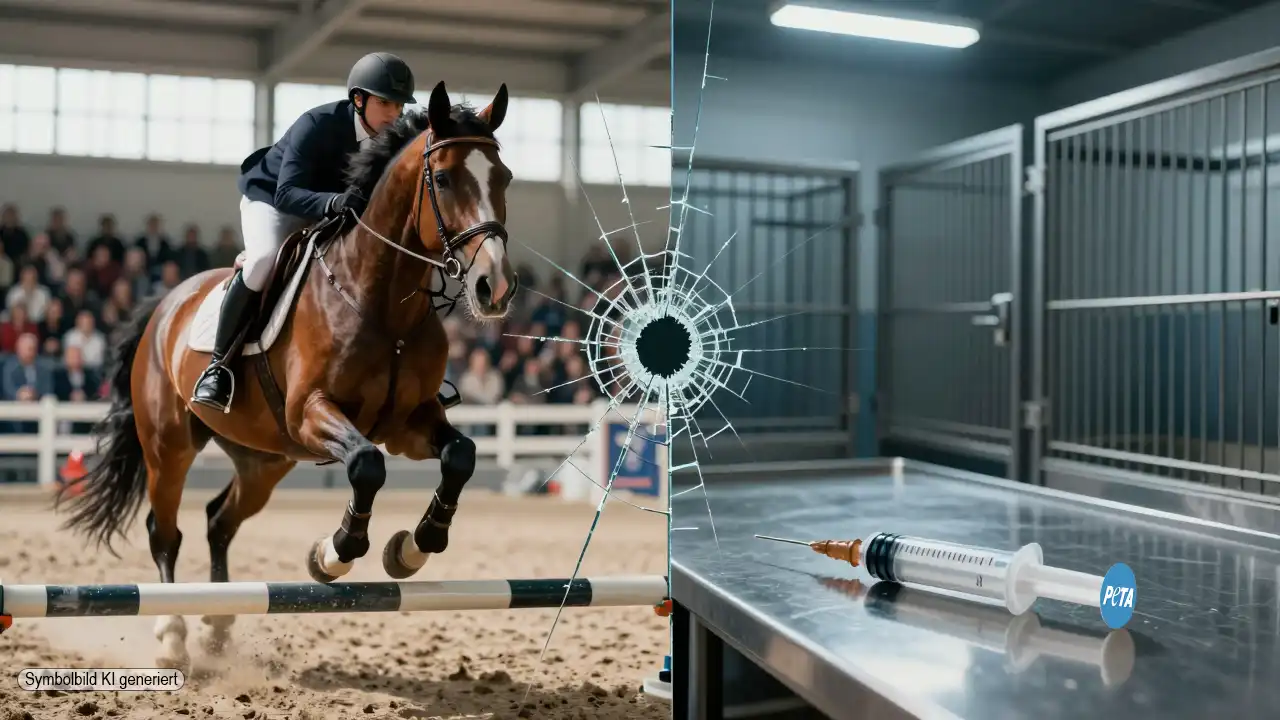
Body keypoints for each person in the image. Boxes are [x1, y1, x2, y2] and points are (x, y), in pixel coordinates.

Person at [190, 52, 417, 413]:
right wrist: (334, 203)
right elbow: (286, 193)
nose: (394, 114)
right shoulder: (317, 124)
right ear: (358, 99)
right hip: (273, 202)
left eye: (400, 105)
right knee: (264, 260)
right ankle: (219, 368)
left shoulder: (392, 141)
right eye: (385, 103)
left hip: (331, 210)